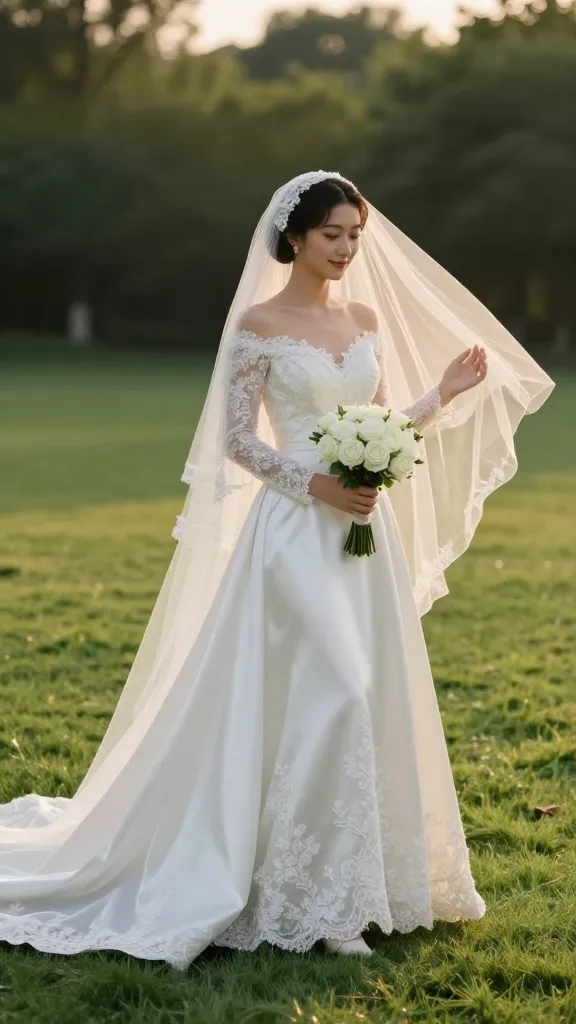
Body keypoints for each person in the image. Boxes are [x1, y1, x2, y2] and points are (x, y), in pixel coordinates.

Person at [0, 171, 554, 968]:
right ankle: (321, 903)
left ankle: (356, 890)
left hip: (365, 535)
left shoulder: (364, 319)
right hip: (294, 532)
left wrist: (440, 396)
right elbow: (237, 440)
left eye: (355, 236)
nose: (346, 250)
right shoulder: (258, 324)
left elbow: (377, 425)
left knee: (368, 695)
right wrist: (319, 484)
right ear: (294, 235)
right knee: (338, 688)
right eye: (333, 235)